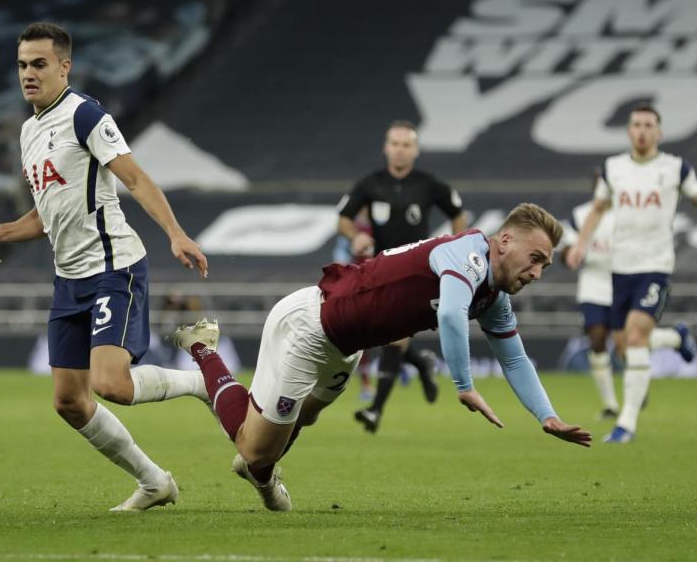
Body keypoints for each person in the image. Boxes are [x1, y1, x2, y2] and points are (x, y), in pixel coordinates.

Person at [175, 204, 592, 511]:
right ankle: (204, 352)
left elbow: (515, 360)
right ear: (504, 241)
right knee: (254, 450)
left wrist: (546, 416)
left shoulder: (494, 296)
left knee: (304, 416)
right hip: (311, 327)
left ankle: (262, 458)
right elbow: (448, 312)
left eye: (545, 266)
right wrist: (463, 386)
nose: (537, 273)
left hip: (347, 346)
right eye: (535, 259)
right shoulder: (468, 253)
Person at [0, 22, 210, 511]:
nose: (28, 74)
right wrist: (2, 232)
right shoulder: (29, 132)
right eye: (21, 65)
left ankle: (200, 380)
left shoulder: (85, 115)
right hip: (68, 280)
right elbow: (48, 211)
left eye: (39, 64)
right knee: (69, 402)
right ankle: (153, 481)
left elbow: (136, 179)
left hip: (113, 267)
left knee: (110, 385)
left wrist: (175, 233)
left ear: (64, 66)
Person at [567, 103, 697, 444]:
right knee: (625, 344)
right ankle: (676, 338)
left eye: (648, 125)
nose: (642, 130)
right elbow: (597, 209)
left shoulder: (675, 168)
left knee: (636, 338)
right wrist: (581, 245)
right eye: (636, 124)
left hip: (655, 265)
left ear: (659, 132)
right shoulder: (613, 168)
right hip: (620, 267)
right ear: (628, 131)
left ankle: (626, 423)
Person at [338, 120, 468, 433]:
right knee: (379, 332)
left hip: (416, 270)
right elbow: (343, 218)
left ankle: (374, 410)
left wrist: (457, 249)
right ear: (386, 147)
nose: (400, 150)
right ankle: (421, 362)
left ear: (416, 150)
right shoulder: (370, 184)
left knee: (394, 335)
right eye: (395, 144)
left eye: (406, 145)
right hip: (381, 268)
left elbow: (458, 214)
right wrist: (355, 235)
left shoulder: (428, 184)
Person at [561, 190, 697, 421]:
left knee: (627, 342)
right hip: (593, 284)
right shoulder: (581, 215)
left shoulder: (634, 216)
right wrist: (571, 255)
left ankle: (675, 338)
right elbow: (565, 250)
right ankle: (610, 404)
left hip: (623, 283)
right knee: (596, 337)